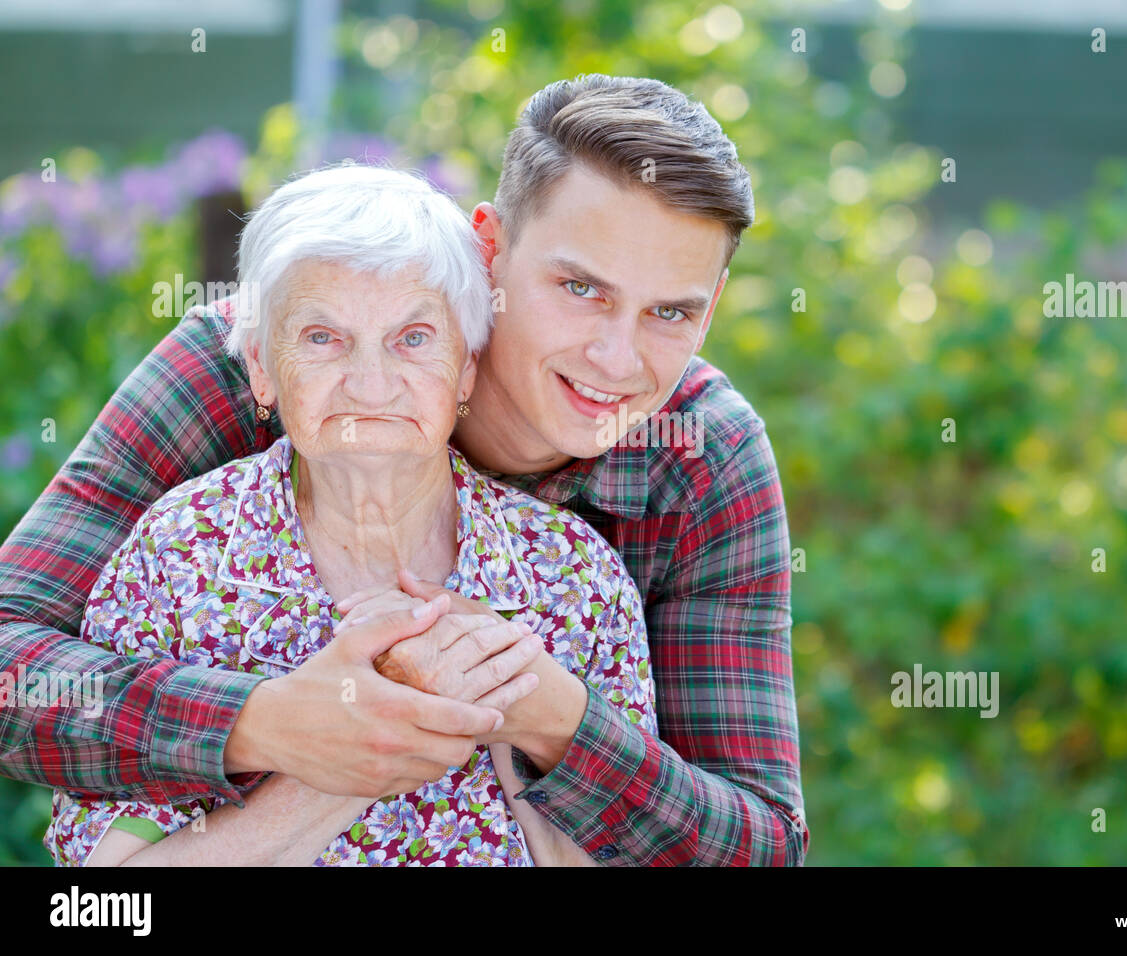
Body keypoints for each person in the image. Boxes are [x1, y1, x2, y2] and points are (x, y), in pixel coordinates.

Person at [0, 74, 807, 865]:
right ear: (489, 247)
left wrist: (554, 718)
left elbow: (759, 845)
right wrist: (274, 723)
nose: (618, 356)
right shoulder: (264, 359)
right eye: (581, 288)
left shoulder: (700, 460)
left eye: (672, 311)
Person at [45, 164, 654, 866]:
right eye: (322, 338)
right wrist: (366, 742)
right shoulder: (181, 554)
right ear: (261, 369)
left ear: (465, 369)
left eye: (414, 338)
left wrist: (504, 711)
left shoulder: (570, 572)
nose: (370, 383)